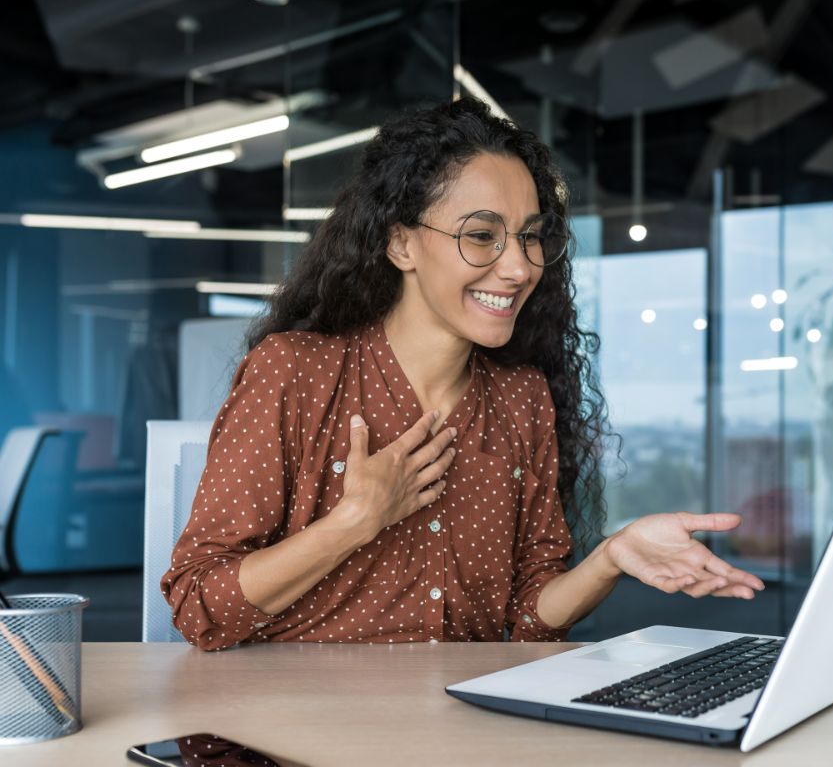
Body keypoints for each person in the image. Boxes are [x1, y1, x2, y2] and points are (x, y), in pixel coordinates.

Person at [161, 97, 764, 651]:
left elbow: (529, 617)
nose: (518, 268)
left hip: (457, 728)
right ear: (401, 244)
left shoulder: (521, 397)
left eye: (530, 239)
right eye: (481, 236)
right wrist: (355, 520)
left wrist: (611, 557)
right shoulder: (297, 370)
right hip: (297, 725)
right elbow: (199, 608)